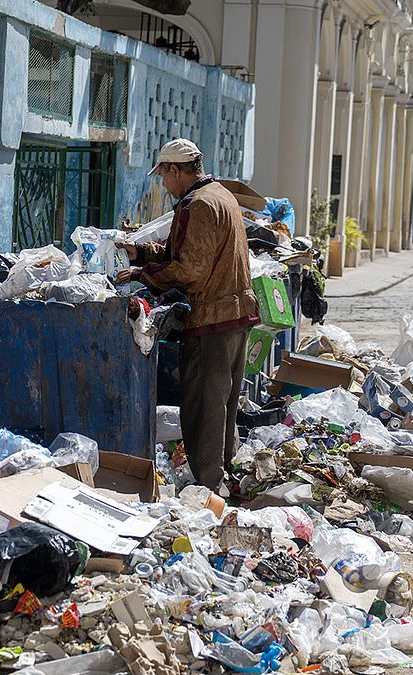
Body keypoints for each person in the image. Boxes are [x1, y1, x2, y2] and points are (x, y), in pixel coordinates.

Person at [116, 139, 259, 491]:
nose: (164, 184)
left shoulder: (199, 205)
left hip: (213, 320)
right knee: (223, 405)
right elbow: (184, 252)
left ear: (176, 171)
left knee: (203, 409)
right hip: (235, 315)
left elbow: (190, 270)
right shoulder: (219, 194)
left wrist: (141, 275)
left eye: (164, 176)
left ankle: (210, 488)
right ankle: (225, 481)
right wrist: (141, 253)